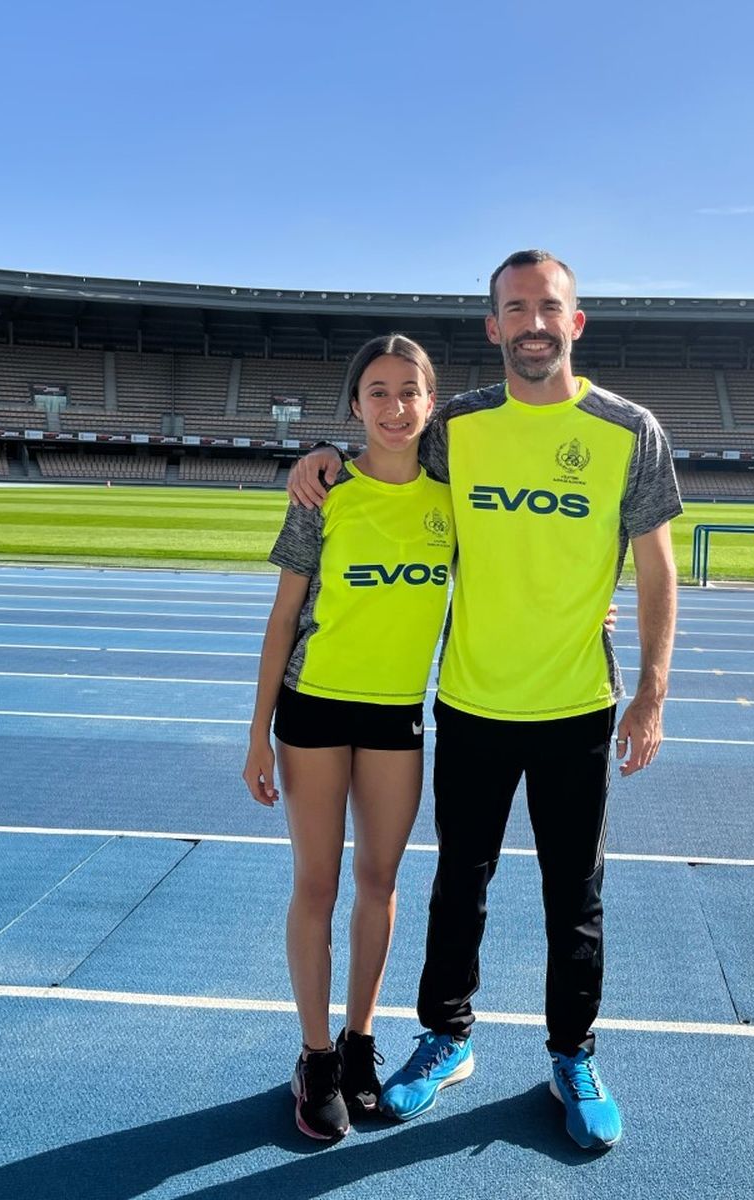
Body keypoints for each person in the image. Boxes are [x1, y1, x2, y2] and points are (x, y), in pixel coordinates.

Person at [286, 249, 681, 1151]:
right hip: (468, 703)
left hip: (579, 702)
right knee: (458, 883)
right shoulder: (456, 426)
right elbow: (378, 445)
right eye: (515, 308)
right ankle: (444, 1037)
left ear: (574, 322)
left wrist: (651, 693)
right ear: (493, 326)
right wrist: (312, 456)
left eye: (549, 306)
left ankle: (573, 1055)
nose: (533, 322)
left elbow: (658, 569)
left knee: (573, 894)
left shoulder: (630, 429)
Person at [243, 334, 453, 1143]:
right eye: (377, 391)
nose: (394, 407)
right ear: (355, 404)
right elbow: (282, 618)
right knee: (317, 886)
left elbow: (511, 572)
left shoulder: (452, 501)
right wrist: (256, 734)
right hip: (313, 712)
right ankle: (316, 1054)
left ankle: (362, 1042)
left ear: (430, 403)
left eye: (409, 391)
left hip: (397, 714)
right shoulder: (323, 496)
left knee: (379, 879)